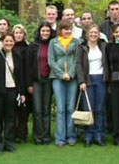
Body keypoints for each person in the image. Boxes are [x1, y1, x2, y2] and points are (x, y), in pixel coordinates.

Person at [0, 33, 25, 154]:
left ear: (14, 42)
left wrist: (21, 92)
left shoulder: (17, 56)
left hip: (12, 91)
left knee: (10, 118)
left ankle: (9, 142)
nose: (9, 43)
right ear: (2, 42)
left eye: (11, 41)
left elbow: (20, 76)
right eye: (6, 41)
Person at [48, 19, 80, 147]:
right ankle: (60, 138)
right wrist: (62, 74)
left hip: (72, 78)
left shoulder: (76, 42)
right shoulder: (53, 42)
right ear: (60, 30)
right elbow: (51, 61)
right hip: (57, 77)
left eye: (69, 29)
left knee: (70, 108)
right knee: (61, 109)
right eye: (65, 29)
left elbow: (77, 59)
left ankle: (71, 136)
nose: (68, 31)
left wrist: (70, 74)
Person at [77, 24, 109, 147]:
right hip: (88, 80)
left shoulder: (103, 46)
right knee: (88, 109)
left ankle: (99, 136)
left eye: (96, 33)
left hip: (101, 79)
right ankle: (88, 136)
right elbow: (78, 64)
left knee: (99, 109)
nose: (93, 35)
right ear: (87, 34)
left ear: (99, 34)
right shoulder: (82, 47)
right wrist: (81, 81)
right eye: (91, 32)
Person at [26, 22, 55, 145]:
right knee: (37, 110)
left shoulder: (53, 45)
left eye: (47, 31)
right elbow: (28, 66)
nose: (45, 33)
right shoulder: (33, 46)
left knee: (46, 109)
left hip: (49, 80)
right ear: (39, 32)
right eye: (43, 31)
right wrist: (29, 84)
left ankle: (46, 135)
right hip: (36, 81)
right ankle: (38, 136)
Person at [12, 24, 30, 144]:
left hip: (25, 80)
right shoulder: (9, 47)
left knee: (24, 110)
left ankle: (22, 134)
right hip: (12, 82)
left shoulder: (29, 48)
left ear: (24, 34)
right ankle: (13, 134)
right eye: (16, 33)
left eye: (20, 33)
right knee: (12, 111)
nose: (18, 35)